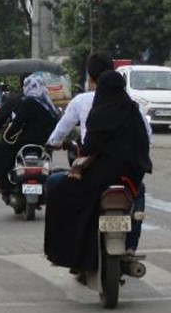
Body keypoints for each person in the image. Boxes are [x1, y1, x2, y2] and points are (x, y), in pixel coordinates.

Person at [43, 68, 152, 272]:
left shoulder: (99, 113)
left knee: (57, 190)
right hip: (131, 177)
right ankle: (130, 247)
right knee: (138, 203)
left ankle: (66, 253)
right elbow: (145, 143)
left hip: (101, 178)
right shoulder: (133, 112)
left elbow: (89, 147)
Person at [0, 73, 59, 192]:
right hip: (45, 144)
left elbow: (15, 125)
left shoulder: (27, 102)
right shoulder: (48, 104)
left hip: (28, 142)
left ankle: (2, 183)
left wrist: (7, 136)